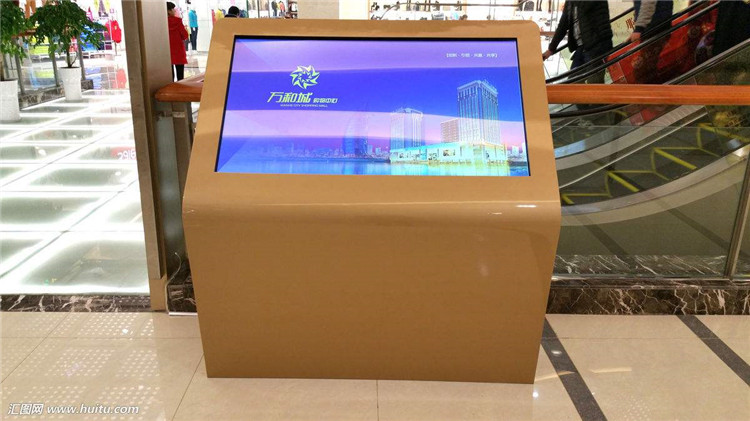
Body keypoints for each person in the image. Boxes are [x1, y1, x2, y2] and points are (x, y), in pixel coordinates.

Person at [542, 1, 613, 82]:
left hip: (597, 46)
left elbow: (585, 6)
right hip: (582, 47)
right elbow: (563, 25)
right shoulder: (571, 2)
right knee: (573, 82)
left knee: (593, 83)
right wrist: (551, 49)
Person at [629, 0, 673, 83]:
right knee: (649, 63)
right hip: (657, 26)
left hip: (654, 29)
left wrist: (638, 29)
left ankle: (652, 88)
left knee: (646, 66)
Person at [167, 2, 188, 81]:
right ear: (169, 11)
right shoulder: (178, 21)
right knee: (180, 77)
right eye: (173, 9)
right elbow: (185, 35)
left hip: (167, 52)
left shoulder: (161, 22)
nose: (174, 11)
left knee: (169, 77)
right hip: (178, 51)